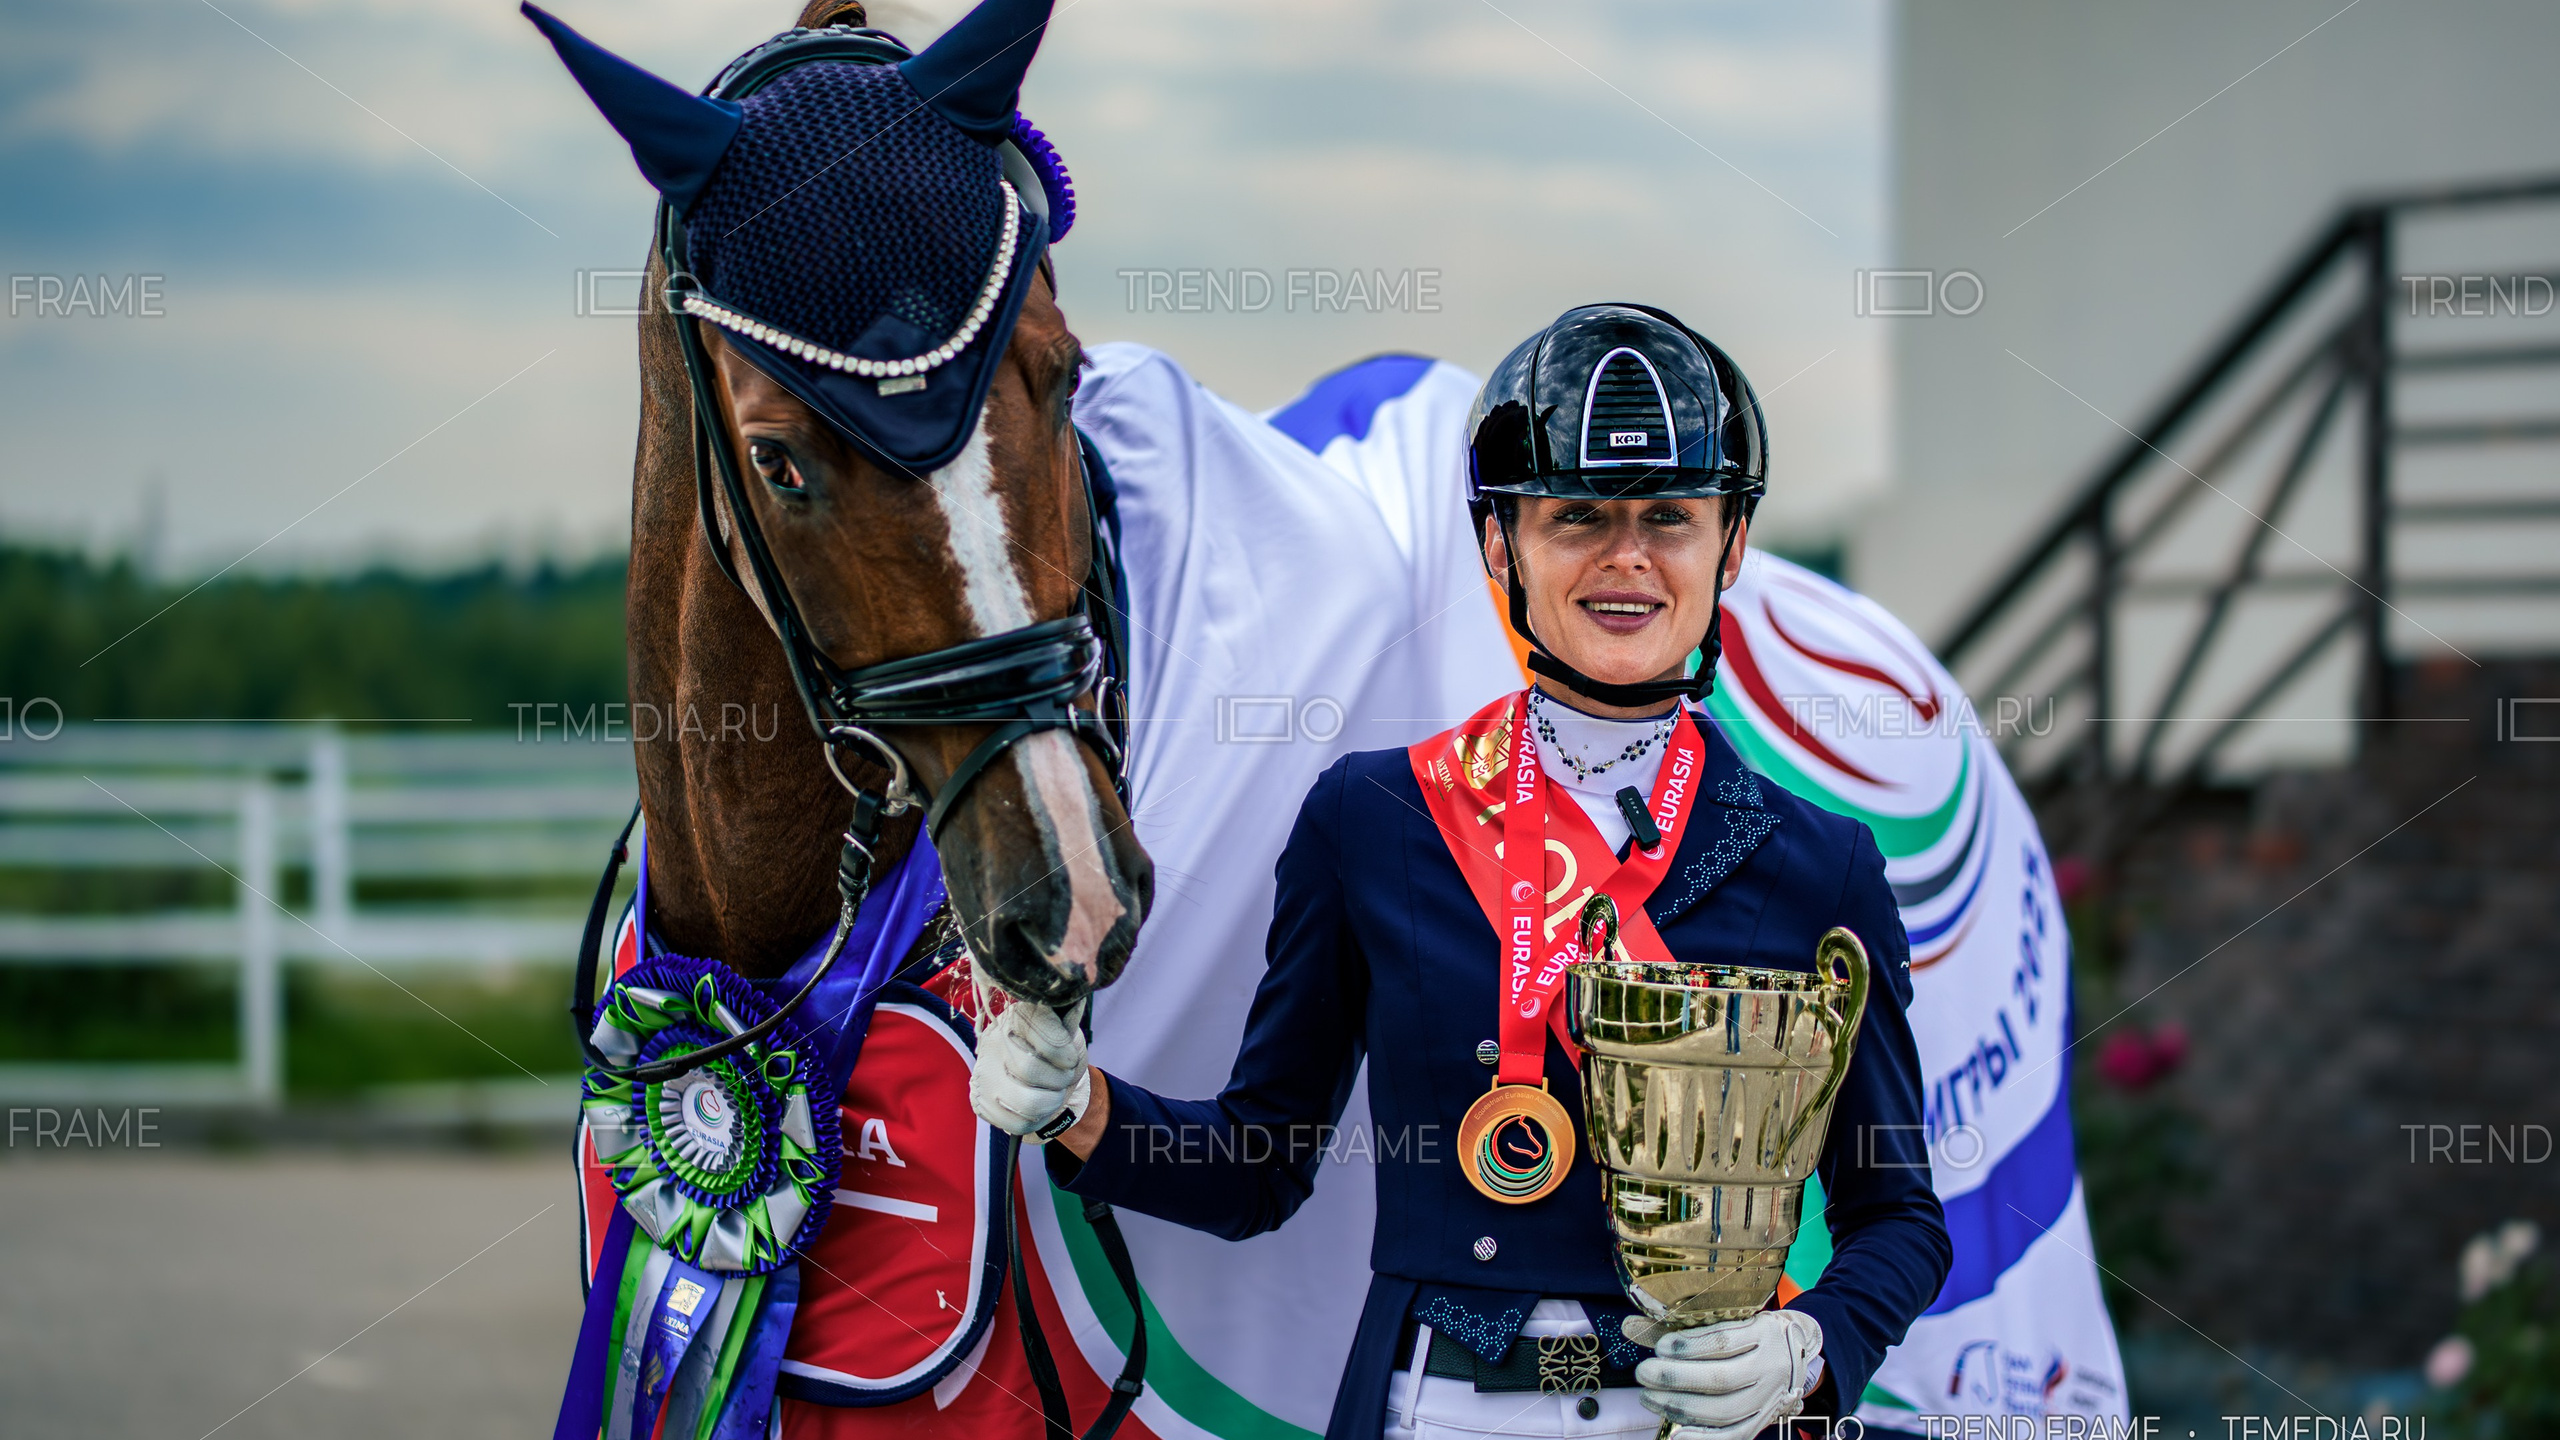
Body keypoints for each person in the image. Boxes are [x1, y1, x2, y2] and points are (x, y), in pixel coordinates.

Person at [969, 303, 1952, 1440]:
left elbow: (1898, 1215)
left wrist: (1814, 1346)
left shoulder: (1820, 865)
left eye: (1670, 518)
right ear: (1501, 545)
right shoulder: (1370, 817)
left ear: (1730, 545)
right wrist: (1079, 1109)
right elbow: (1258, 1164)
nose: (1626, 558)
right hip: (1426, 1412)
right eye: (1575, 515)